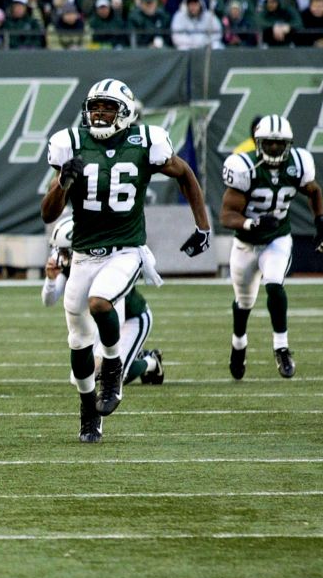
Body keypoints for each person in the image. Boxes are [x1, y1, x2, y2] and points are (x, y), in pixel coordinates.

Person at [41, 79, 211, 443]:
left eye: (108, 108)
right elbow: (47, 213)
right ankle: (89, 415)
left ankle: (114, 366)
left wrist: (202, 226)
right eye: (95, 107)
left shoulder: (146, 141)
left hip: (127, 250)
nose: (99, 114)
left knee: (100, 302)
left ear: (126, 113)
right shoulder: (70, 144)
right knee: (78, 342)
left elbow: (185, 175)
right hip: (85, 255)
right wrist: (62, 183)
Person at [219, 114, 323, 380]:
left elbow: (314, 190)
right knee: (244, 303)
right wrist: (252, 223)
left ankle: (281, 347)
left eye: (278, 144)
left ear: (289, 144)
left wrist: (321, 221)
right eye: (268, 143)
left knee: (274, 283)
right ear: (258, 143)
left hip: (277, 239)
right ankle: (238, 345)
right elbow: (226, 215)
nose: (273, 148)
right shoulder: (243, 167)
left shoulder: (299, 163)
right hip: (246, 244)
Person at [42, 216, 164, 386]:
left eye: (63, 251)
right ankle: (134, 356)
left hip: (132, 320)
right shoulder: (73, 264)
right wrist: (50, 279)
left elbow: (117, 318)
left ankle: (151, 362)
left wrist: (100, 356)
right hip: (102, 324)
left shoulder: (107, 267)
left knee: (114, 375)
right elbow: (48, 301)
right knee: (78, 377)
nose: (59, 256)